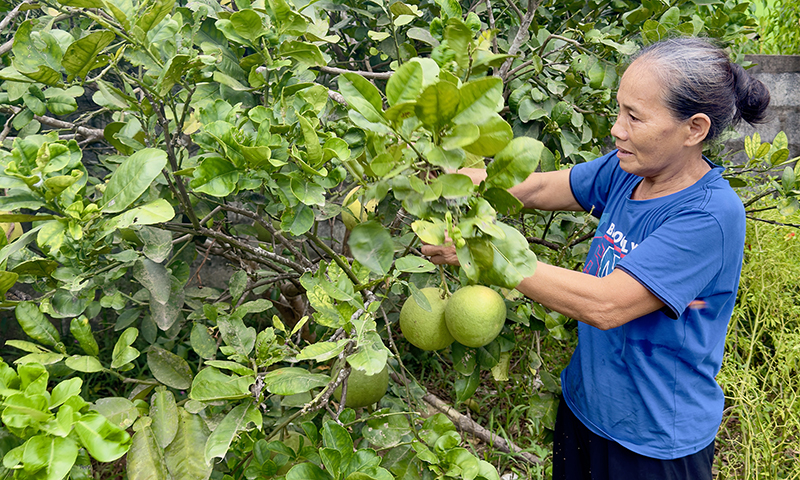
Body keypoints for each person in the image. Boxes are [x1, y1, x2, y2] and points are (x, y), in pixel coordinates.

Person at [421, 36, 770, 479]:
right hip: (585, 409)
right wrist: (455, 179)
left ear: (694, 129)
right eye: (619, 110)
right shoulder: (630, 169)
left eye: (634, 116)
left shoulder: (710, 216)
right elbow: (539, 188)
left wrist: (483, 252)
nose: (617, 129)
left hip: (653, 442)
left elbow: (607, 304)